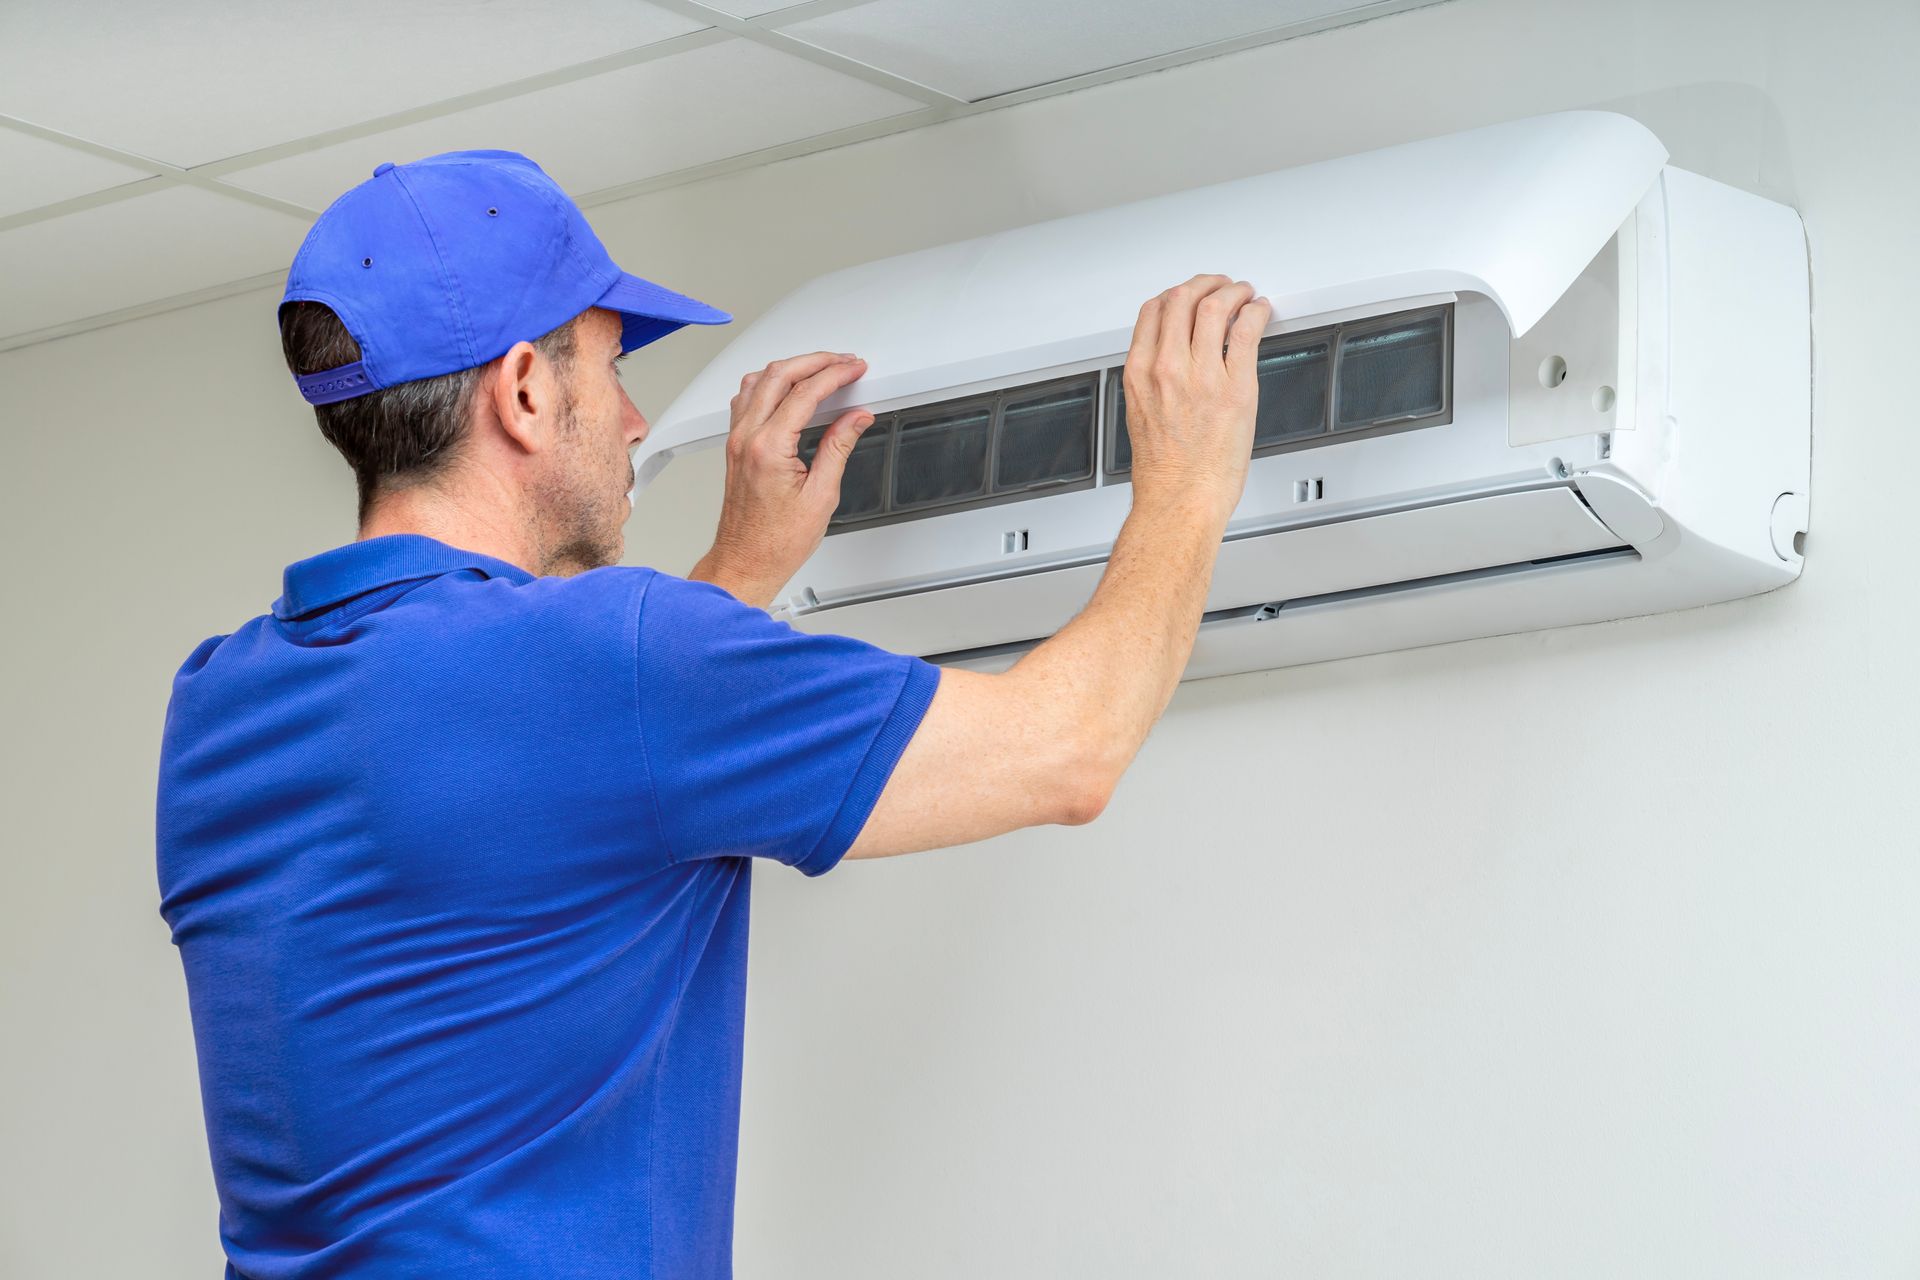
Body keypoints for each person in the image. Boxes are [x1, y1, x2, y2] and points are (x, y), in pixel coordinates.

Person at [155, 149, 1271, 1279]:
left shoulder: (217, 704)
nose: (636, 419)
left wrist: (732, 575)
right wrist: (1189, 477)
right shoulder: (618, 659)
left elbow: (517, 792)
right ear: (525, 391)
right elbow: (1064, 750)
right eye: (608, 363)